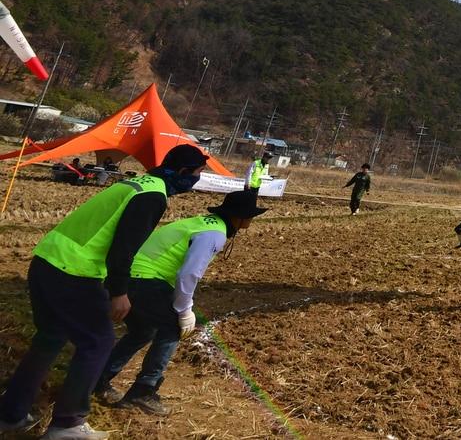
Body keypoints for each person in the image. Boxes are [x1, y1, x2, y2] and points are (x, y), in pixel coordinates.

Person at [0, 144, 209, 439]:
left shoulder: (135, 183)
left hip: (47, 260)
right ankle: (68, 424)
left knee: (50, 338)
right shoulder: (153, 195)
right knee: (98, 342)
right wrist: (118, 291)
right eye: (198, 173)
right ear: (184, 173)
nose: (197, 180)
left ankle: (11, 413)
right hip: (75, 271)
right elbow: (124, 247)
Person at [93, 190, 267, 417]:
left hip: (130, 277)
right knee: (172, 327)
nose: (252, 221)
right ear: (241, 217)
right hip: (145, 279)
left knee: (143, 331)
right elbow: (188, 275)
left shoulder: (203, 223)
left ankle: (98, 379)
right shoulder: (214, 234)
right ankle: (144, 390)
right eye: (251, 216)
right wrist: (184, 310)